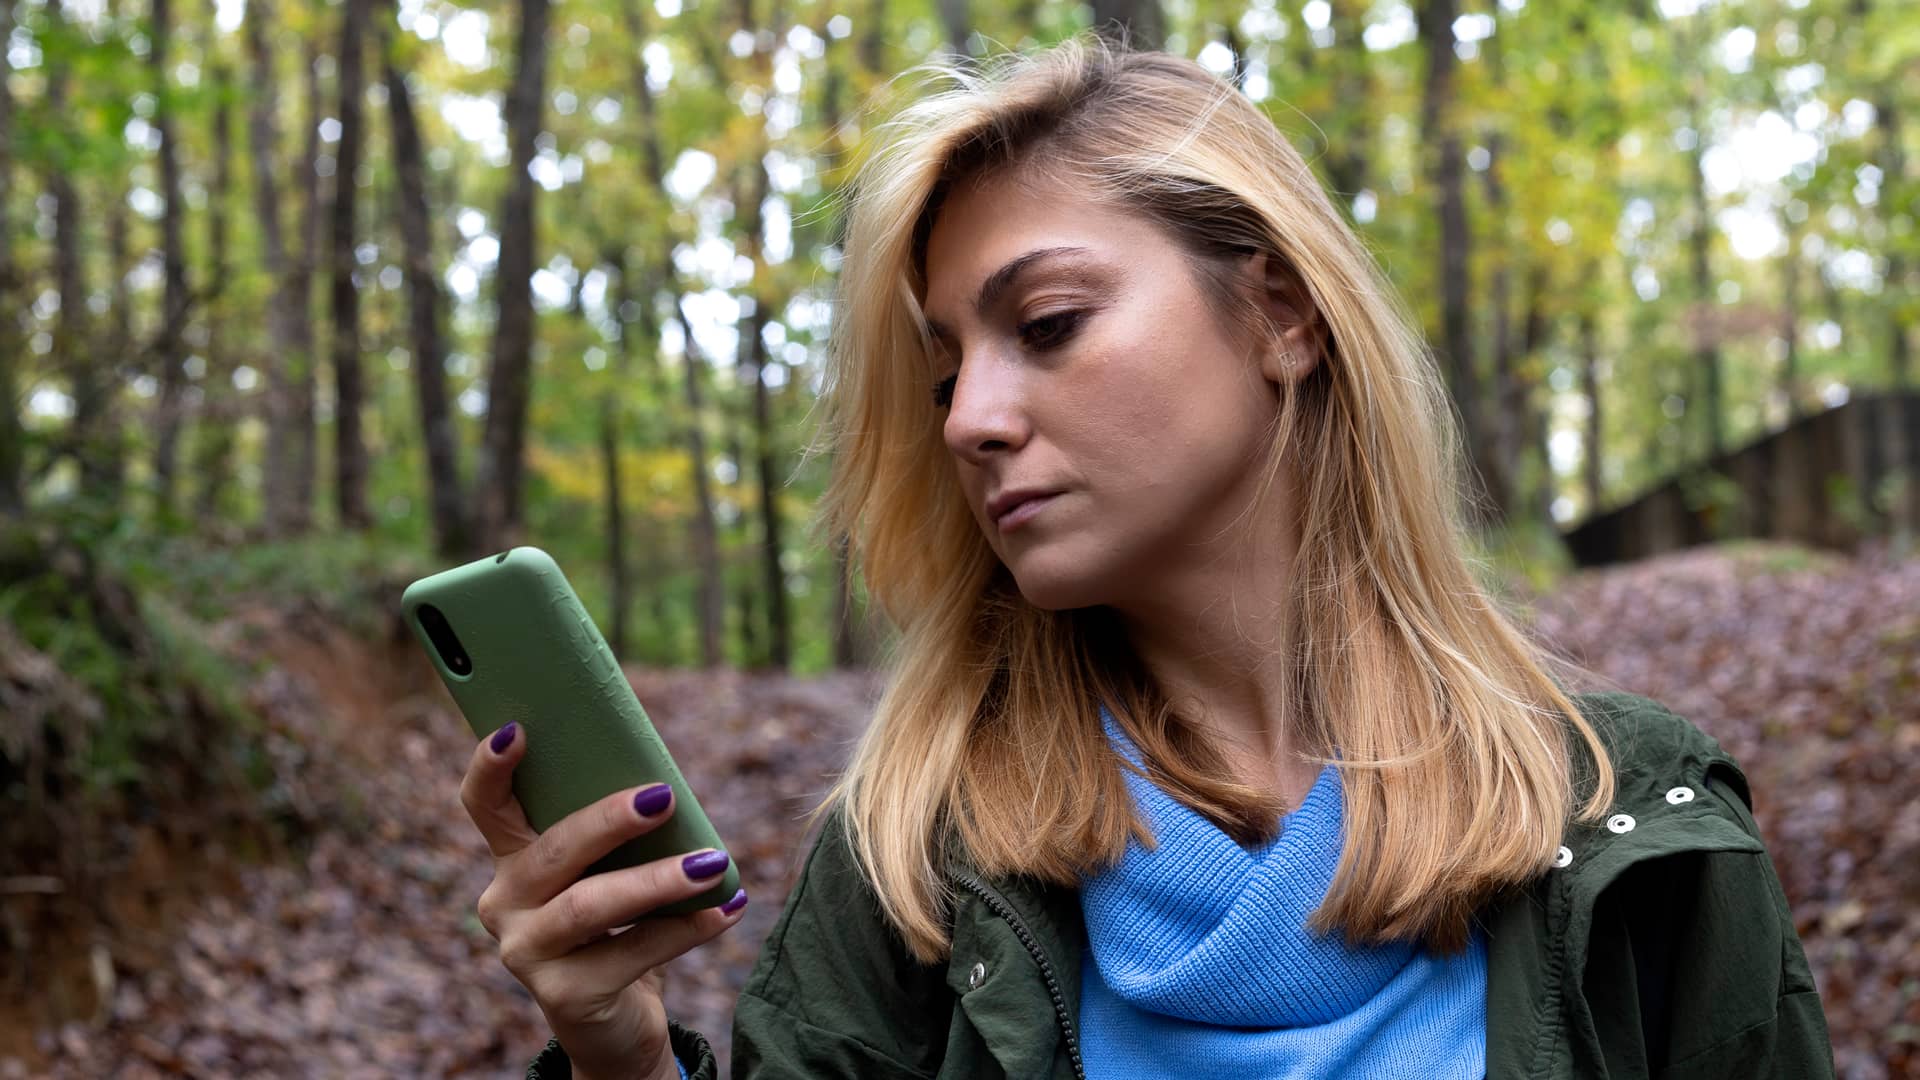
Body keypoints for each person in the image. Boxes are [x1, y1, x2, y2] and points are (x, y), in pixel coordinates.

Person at [459, 33, 1834, 1079]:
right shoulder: (914, 867)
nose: (975, 420)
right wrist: (621, 1059)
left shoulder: (1637, 820)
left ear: (1281, 314)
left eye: (1046, 323)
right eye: (945, 377)